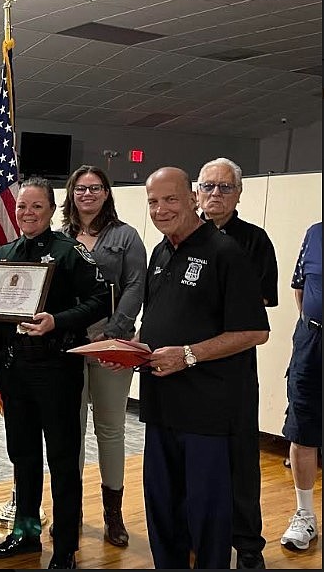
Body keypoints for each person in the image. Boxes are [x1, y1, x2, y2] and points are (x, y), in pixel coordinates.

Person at [0, 176, 109, 569]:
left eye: (36, 207)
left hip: (56, 368)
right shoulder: (7, 251)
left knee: (62, 460)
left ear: (51, 210)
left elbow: (102, 300)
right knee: (24, 456)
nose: (27, 213)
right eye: (21, 207)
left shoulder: (69, 252)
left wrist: (58, 320)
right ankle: (26, 533)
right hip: (15, 369)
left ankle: (65, 547)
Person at [138, 167, 270, 569]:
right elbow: (159, 322)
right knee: (162, 510)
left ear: (193, 198)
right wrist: (131, 352)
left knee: (208, 518)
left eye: (170, 199)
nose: (161, 210)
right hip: (160, 407)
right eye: (153, 202)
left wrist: (188, 355)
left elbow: (253, 331)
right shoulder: (160, 252)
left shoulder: (227, 253)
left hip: (207, 415)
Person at [196, 157, 278, 569]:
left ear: (239, 193)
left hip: (233, 372)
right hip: (188, 372)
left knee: (241, 461)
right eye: (208, 186)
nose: (215, 194)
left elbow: (258, 304)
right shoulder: (181, 237)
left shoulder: (255, 241)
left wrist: (204, 309)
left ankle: (247, 546)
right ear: (196, 191)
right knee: (192, 459)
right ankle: (197, 535)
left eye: (225, 187)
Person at [59, 165, 147, 548]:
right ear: (71, 193)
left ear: (107, 193)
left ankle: (113, 514)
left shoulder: (126, 237)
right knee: (70, 429)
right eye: (81, 188)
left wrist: (115, 332)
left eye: (95, 188)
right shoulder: (59, 236)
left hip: (111, 345)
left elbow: (136, 284)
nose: (88, 194)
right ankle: (71, 509)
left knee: (110, 429)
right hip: (67, 345)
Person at [280, 221, 321, 551]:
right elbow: (299, 286)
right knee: (302, 427)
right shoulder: (315, 232)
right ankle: (304, 515)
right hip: (312, 340)